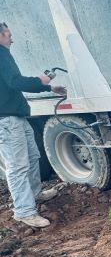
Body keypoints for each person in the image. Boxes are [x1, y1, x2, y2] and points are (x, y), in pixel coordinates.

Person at [0, 22, 67, 228]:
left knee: (32, 156)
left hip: (15, 117)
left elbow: (11, 85)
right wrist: (42, 80)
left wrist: (48, 86)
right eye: (8, 34)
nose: (12, 39)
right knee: (17, 167)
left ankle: (35, 194)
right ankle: (24, 212)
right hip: (7, 121)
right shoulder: (1, 54)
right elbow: (16, 82)